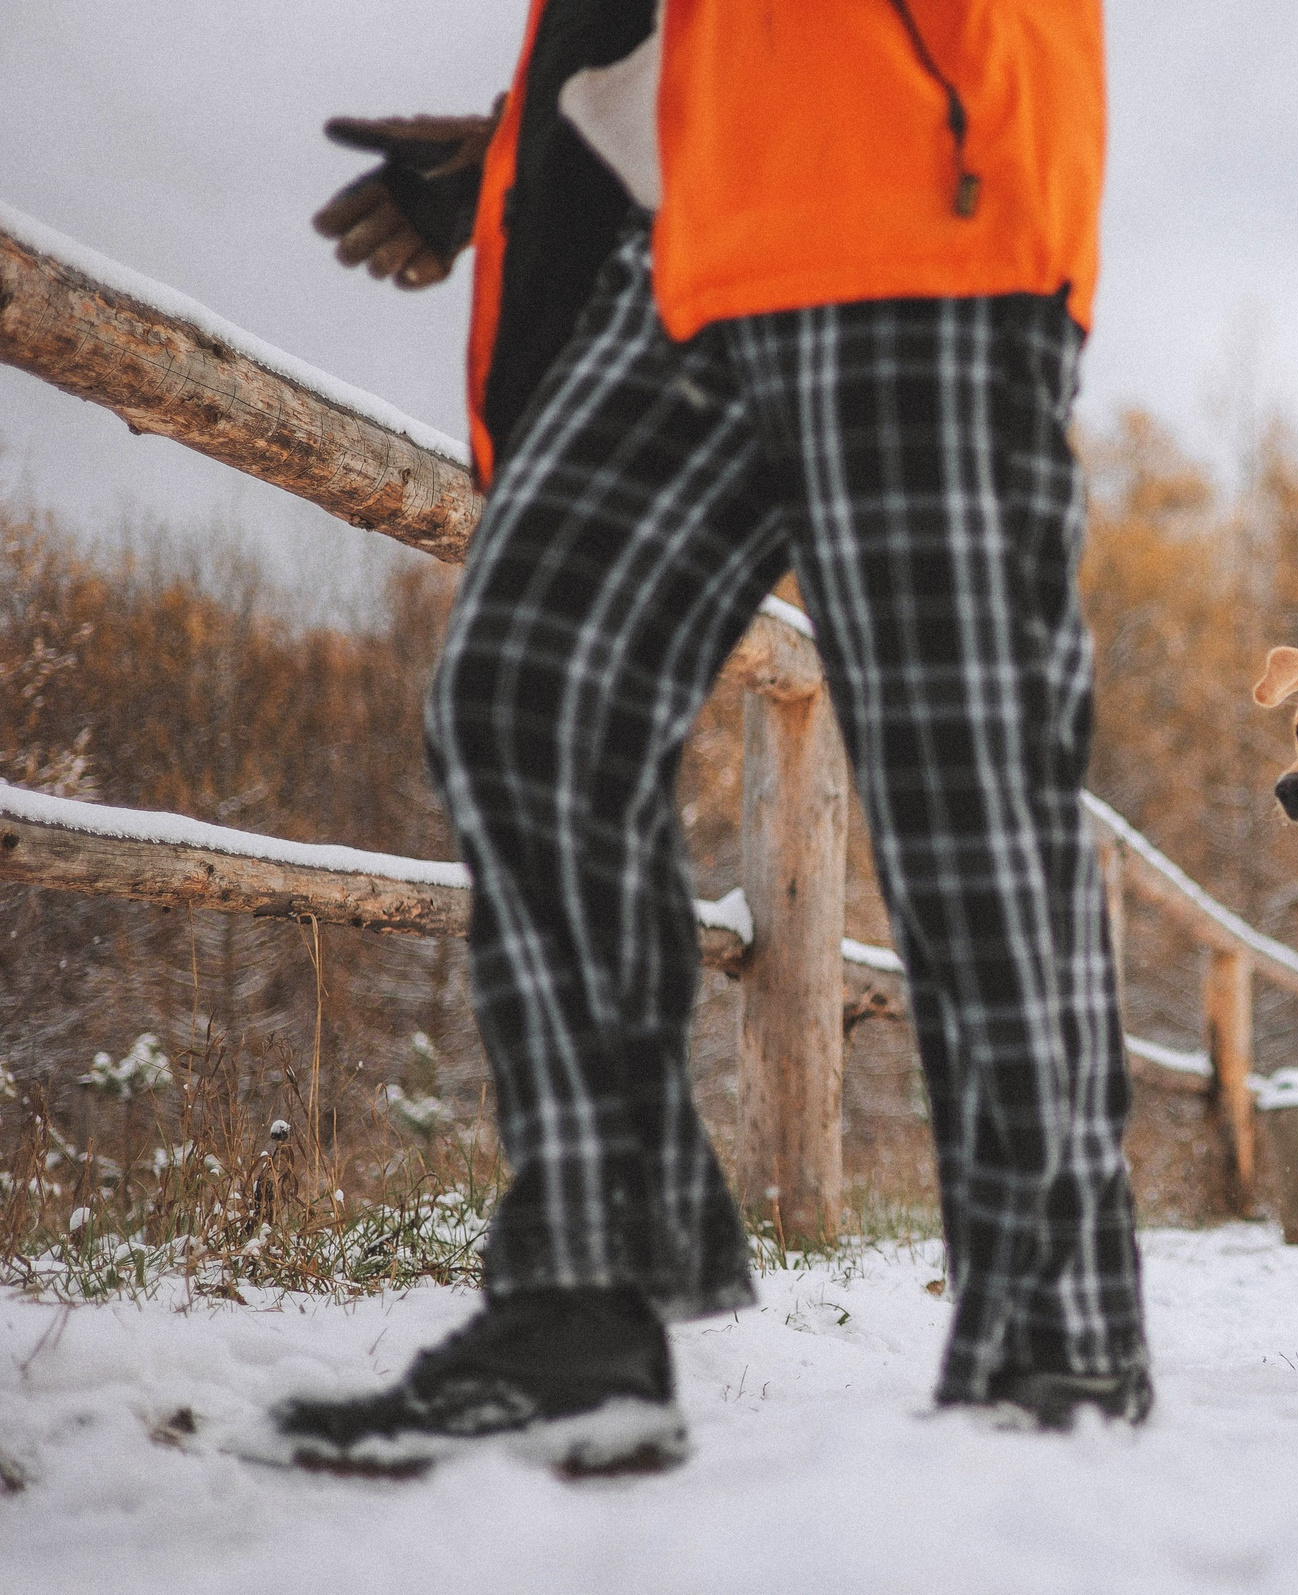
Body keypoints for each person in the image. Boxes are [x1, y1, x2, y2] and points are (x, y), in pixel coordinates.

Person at [259, 0, 1147, 1475]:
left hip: (919, 213)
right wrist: (516, 156)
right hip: (687, 254)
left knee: (963, 787)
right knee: (525, 697)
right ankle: (584, 1301)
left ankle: (1051, 1341)